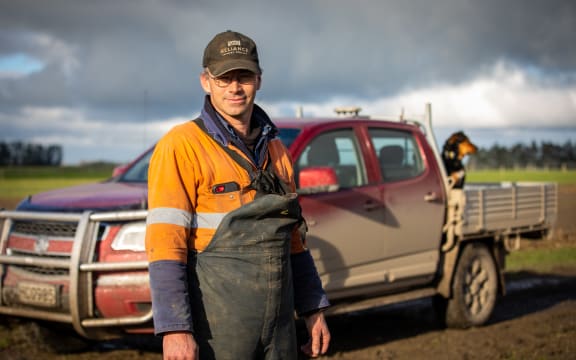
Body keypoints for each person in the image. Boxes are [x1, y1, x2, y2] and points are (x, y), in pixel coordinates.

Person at [145, 30, 331, 359]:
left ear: (258, 80)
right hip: (219, 325)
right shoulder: (181, 146)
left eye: (243, 76)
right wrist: (175, 328)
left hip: (280, 325)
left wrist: (313, 309)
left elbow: (294, 240)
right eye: (223, 78)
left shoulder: (277, 151)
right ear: (206, 81)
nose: (234, 87)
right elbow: (165, 243)